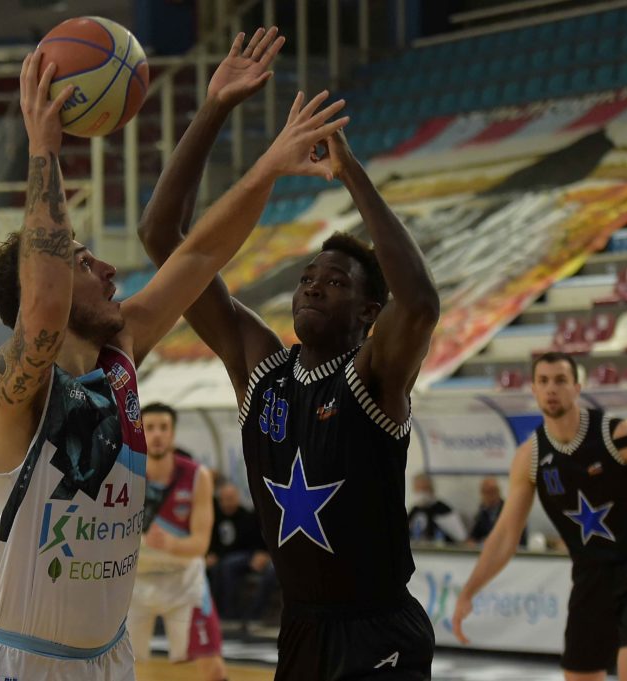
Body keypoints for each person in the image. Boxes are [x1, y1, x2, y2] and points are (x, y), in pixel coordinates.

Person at [0, 29, 348, 680]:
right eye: (85, 262)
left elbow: (199, 253)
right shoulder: (12, 392)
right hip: (14, 661)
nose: (109, 269)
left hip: (107, 658)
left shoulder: (121, 348)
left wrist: (266, 163)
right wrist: (44, 148)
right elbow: (44, 306)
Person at [140, 109, 439, 679]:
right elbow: (159, 235)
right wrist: (216, 107)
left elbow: (420, 303)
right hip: (301, 626)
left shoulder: (373, 373)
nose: (313, 288)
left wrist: (350, 173)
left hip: (378, 629)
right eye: (307, 279)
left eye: (335, 282)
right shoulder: (262, 368)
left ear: (369, 312)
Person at [452, 352, 627, 680]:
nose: (551, 389)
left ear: (577, 387)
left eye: (560, 380)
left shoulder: (615, 434)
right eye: (543, 381)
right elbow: (506, 535)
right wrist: (468, 591)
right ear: (534, 390)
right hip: (591, 582)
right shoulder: (530, 456)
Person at [127, 403, 227, 680]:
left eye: (164, 427)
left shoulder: (197, 476)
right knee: (118, 667)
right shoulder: (127, 472)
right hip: (135, 582)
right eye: (150, 428)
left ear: (173, 433)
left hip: (183, 581)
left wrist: (169, 543)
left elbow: (201, 545)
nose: (157, 434)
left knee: (213, 668)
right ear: (140, 431)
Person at [206, 481, 277, 631]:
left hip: (250, 555)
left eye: (230, 498)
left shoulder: (246, 516)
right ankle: (220, 613)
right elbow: (212, 541)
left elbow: (253, 542)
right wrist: (211, 554)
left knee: (229, 564)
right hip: (232, 556)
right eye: (224, 499)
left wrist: (263, 554)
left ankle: (252, 616)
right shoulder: (215, 517)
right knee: (217, 567)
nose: (227, 503)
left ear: (237, 498)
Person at [407, 472, 467, 545]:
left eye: (424, 489)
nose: (421, 493)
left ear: (432, 489)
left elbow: (461, 538)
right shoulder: (414, 510)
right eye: (418, 489)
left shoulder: (443, 510)